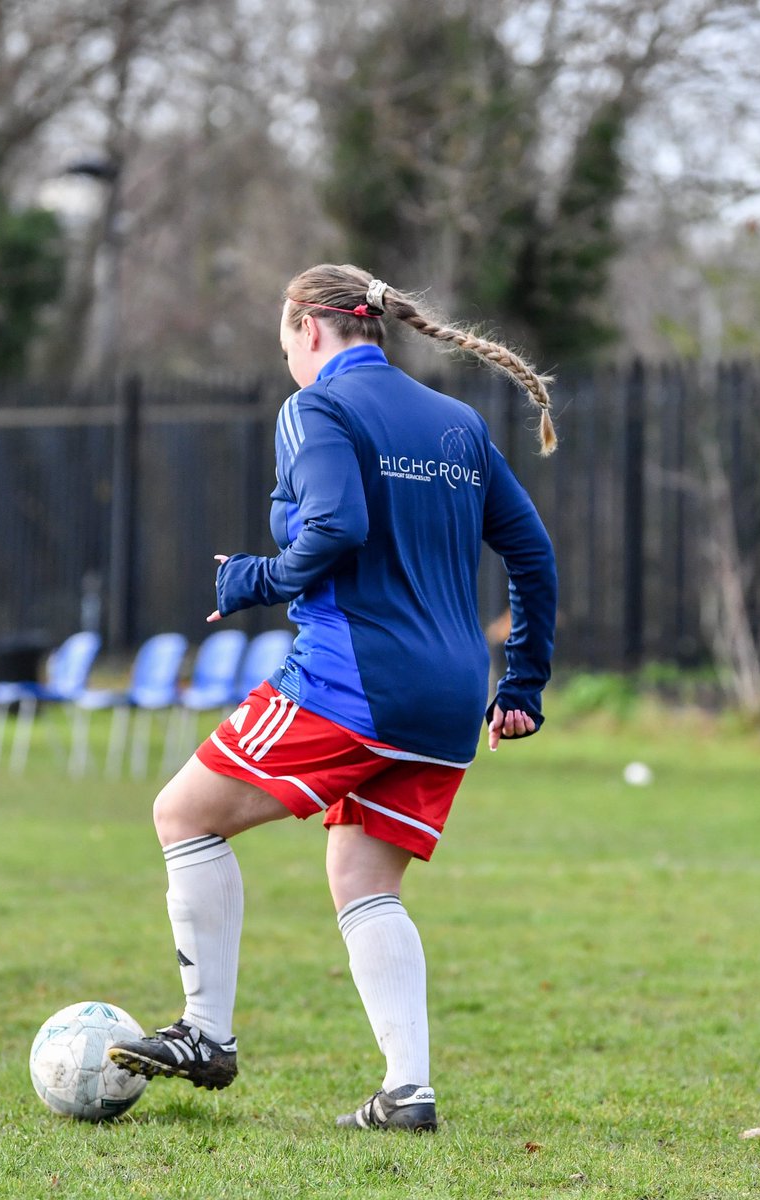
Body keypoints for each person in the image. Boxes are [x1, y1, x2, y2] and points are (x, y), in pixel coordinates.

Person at [109, 264, 558, 1133]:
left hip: (352, 683)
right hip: (449, 699)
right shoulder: (457, 422)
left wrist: (255, 578)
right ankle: (408, 1092)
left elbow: (338, 527)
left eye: (285, 342)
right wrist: (525, 683)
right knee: (361, 880)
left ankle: (206, 1033)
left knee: (183, 814)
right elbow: (532, 555)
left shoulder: (317, 408)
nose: (288, 359)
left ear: (310, 329)